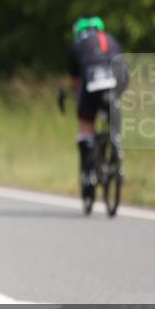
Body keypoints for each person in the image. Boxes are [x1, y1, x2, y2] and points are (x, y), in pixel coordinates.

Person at [66, 16, 126, 197]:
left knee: (86, 123)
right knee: (113, 104)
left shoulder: (76, 45)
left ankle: (88, 174)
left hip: (92, 83)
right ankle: (116, 140)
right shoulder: (112, 39)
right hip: (118, 80)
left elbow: (76, 82)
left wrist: (77, 98)